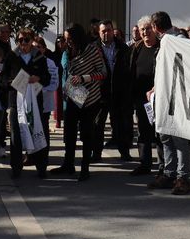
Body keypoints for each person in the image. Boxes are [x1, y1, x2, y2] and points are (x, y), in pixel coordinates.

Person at [147, 11, 190, 195]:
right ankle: (169, 173)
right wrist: (155, 88)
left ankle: (183, 177)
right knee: (165, 136)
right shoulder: (165, 41)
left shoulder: (178, 40)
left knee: (179, 138)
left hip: (177, 98)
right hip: (163, 96)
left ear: (156, 27)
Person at [52, 24, 104, 181]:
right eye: (66, 39)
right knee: (69, 133)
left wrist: (83, 78)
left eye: (70, 39)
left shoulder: (92, 50)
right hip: (73, 96)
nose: (67, 42)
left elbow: (103, 73)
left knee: (87, 134)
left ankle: (85, 168)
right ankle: (68, 164)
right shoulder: (68, 51)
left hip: (89, 98)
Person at [4, 28, 51, 178]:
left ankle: (41, 167)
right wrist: (11, 82)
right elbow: (3, 77)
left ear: (32, 40)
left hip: (35, 103)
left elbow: (47, 78)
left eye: (26, 40)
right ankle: (16, 168)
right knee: (15, 135)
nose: (23, 43)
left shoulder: (39, 56)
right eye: (20, 40)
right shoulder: (11, 56)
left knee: (39, 132)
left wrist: (39, 78)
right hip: (16, 102)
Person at [94, 20, 132, 161]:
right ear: (99, 32)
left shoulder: (122, 48)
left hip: (119, 92)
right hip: (100, 93)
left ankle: (125, 152)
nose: (106, 33)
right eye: (103, 31)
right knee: (98, 125)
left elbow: (129, 70)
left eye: (109, 30)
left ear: (112, 31)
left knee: (121, 124)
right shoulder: (93, 48)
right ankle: (96, 154)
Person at [128, 16, 160, 177]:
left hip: (159, 98)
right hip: (141, 98)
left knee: (160, 133)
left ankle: (163, 167)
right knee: (143, 132)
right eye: (142, 30)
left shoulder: (161, 48)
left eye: (148, 28)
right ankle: (145, 164)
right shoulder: (137, 47)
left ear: (154, 29)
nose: (145, 32)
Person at [33, 36, 60, 173]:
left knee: (43, 131)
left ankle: (43, 161)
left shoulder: (50, 63)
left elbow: (53, 82)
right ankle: (32, 156)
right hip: (30, 102)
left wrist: (38, 87)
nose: (36, 50)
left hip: (44, 102)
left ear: (44, 49)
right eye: (34, 47)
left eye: (39, 47)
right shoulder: (28, 62)